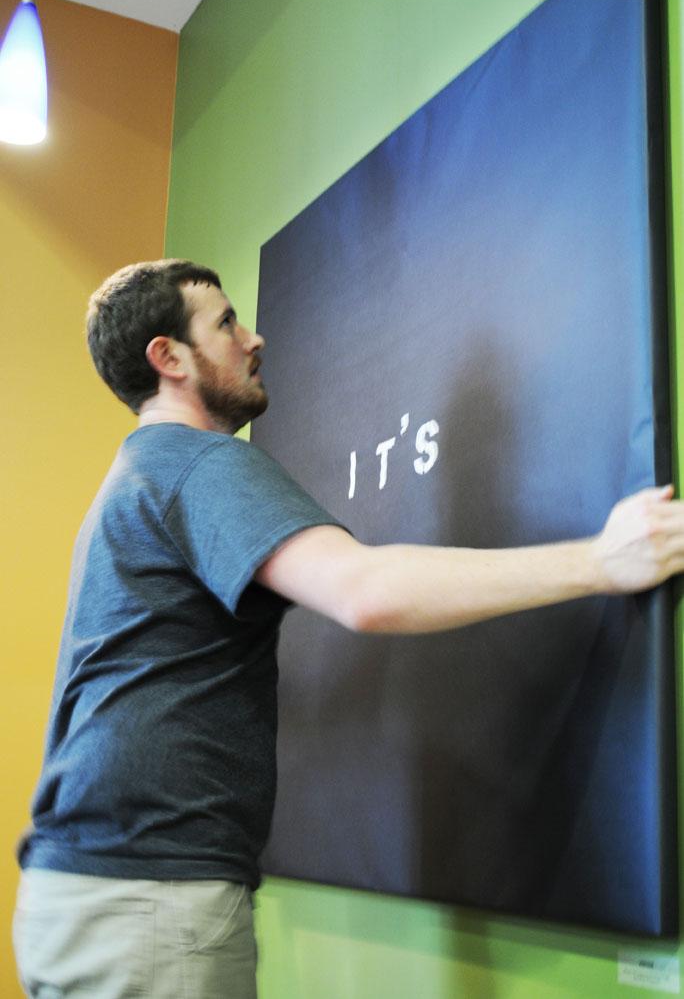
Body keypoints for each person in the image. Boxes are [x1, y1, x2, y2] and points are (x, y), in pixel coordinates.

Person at [13, 258, 684, 999]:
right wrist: (602, 559)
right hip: (146, 902)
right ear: (168, 357)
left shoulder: (131, 480)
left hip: (77, 897)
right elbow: (364, 591)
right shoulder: (194, 464)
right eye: (226, 323)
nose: (254, 337)